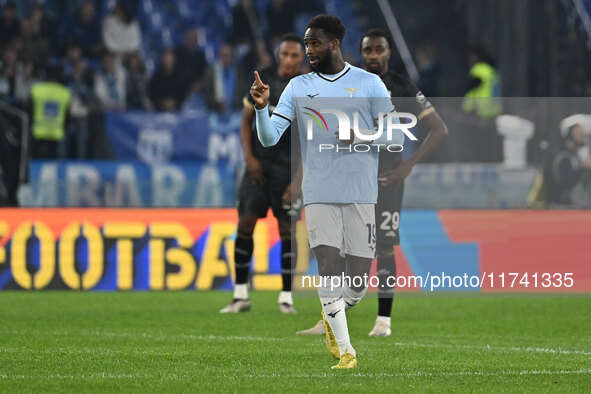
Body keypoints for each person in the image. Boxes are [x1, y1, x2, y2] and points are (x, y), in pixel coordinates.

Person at [250, 15, 405, 369]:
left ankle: (332, 310)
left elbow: (396, 137)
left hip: (361, 193)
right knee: (329, 265)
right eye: (306, 44)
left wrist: (361, 136)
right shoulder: (298, 87)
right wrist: (262, 109)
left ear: (334, 43)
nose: (309, 50)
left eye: (315, 43)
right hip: (318, 191)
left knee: (358, 282)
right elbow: (270, 137)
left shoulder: (369, 84)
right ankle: (346, 352)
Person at [297, 29, 447, 338]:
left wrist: (407, 165)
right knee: (336, 250)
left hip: (386, 181)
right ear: (361, 53)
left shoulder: (404, 88)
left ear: (389, 53)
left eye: (380, 50)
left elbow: (439, 129)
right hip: (350, 181)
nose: (374, 55)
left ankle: (383, 321)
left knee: (385, 248)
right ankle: (329, 318)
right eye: (369, 50)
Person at [220, 33, 305, 315]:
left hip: (288, 169)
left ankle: (286, 297)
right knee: (245, 224)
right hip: (258, 168)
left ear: (301, 59)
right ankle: (240, 295)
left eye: (295, 55)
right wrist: (249, 159)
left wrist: (299, 180)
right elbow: (245, 123)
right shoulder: (262, 80)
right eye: (285, 54)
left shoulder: (308, 89)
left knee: (286, 231)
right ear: (278, 54)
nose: (289, 60)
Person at [30, 64, 71, 159]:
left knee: (37, 163)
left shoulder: (36, 90)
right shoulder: (65, 92)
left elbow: (30, 111)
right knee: (53, 165)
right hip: (56, 133)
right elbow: (68, 116)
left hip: (38, 132)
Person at [548, 124, 591, 206]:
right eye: (579, 133)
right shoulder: (563, 157)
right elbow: (566, 182)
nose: (583, 136)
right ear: (570, 135)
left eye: (583, 133)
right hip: (564, 206)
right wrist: (584, 168)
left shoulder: (576, 156)